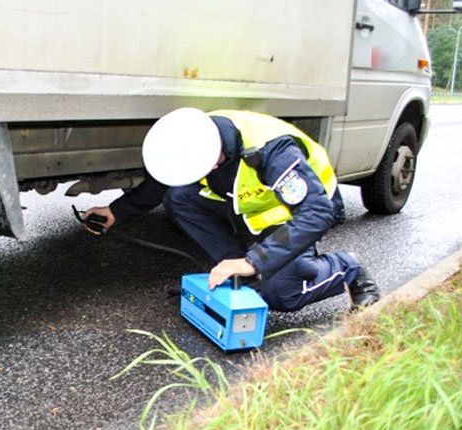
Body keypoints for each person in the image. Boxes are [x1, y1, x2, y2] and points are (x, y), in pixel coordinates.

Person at [83, 108, 379, 312]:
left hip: (300, 212)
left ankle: (347, 268)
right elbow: (163, 184)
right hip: (256, 208)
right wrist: (116, 211)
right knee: (178, 197)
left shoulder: (272, 151)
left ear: (213, 159)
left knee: (281, 294)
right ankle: (239, 267)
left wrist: (254, 261)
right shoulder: (198, 134)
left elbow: (316, 213)